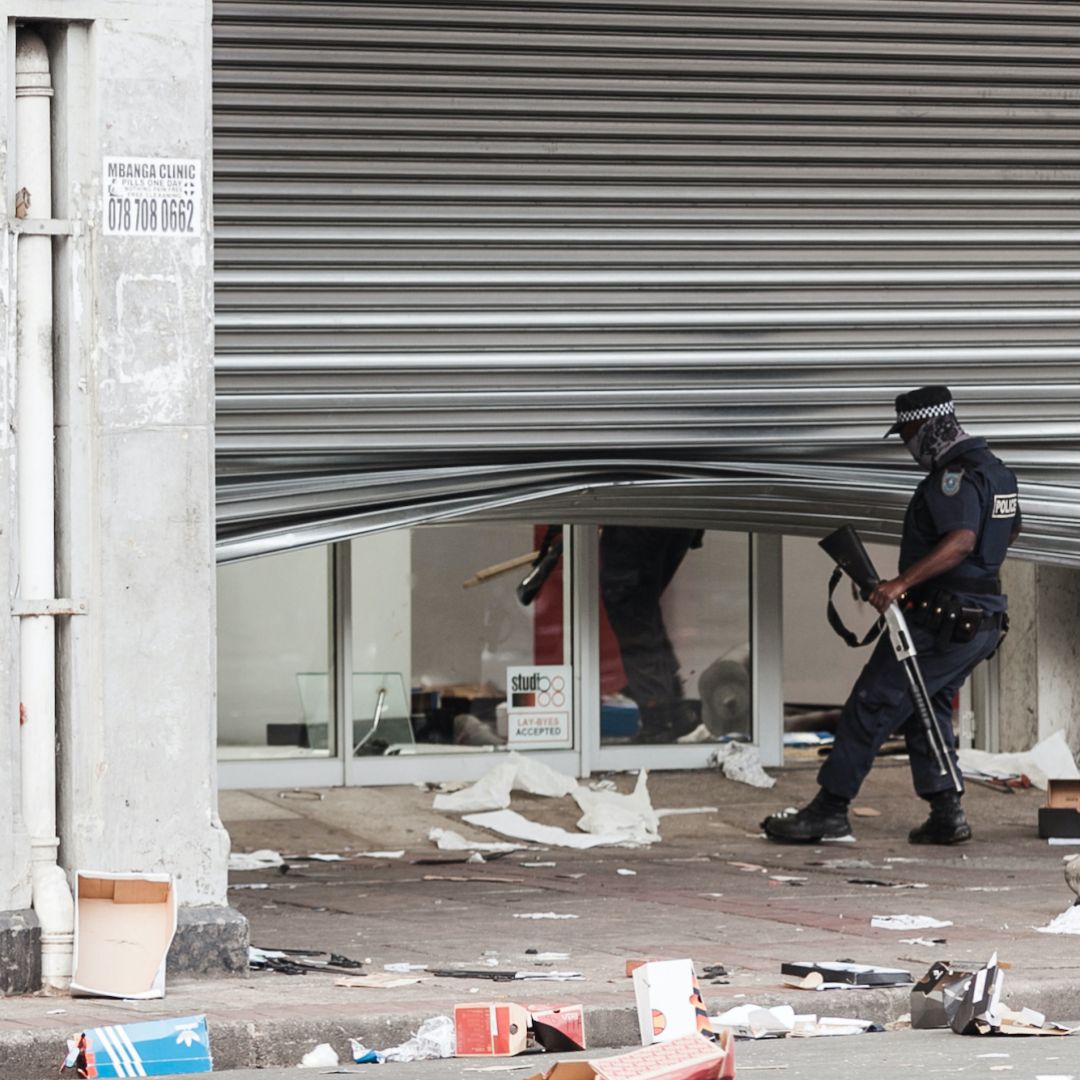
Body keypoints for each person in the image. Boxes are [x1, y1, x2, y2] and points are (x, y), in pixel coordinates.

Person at [763, 386, 1021, 845]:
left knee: (873, 701)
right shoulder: (997, 472)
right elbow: (1008, 531)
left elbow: (961, 539)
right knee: (927, 707)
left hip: (940, 621)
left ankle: (830, 809)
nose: (907, 445)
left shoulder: (953, 476)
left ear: (926, 427)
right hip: (979, 619)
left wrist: (900, 584)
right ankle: (946, 812)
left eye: (907, 433)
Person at [600, 526, 704, 742]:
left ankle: (657, 714)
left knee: (631, 607)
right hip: (676, 514)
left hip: (638, 517)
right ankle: (671, 706)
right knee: (641, 606)